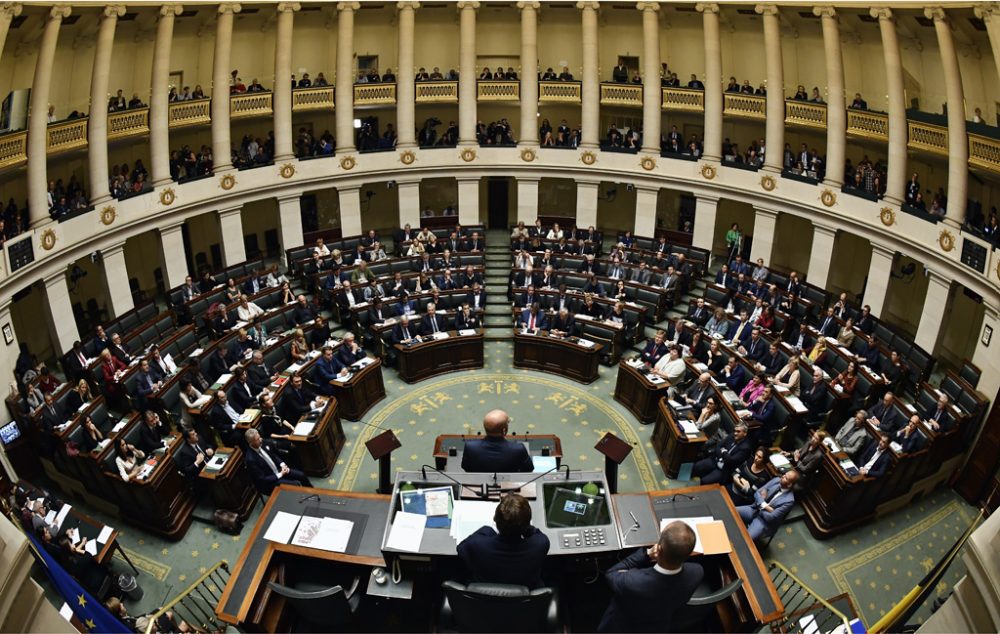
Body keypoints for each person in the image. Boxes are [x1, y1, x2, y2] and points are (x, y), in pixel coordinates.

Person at [597, 521, 703, 633]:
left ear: (659, 549)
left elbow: (611, 573)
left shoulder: (634, 582)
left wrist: (646, 554)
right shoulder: (697, 572)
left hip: (623, 626)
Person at [456, 493, 550, 589]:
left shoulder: (476, 544)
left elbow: (460, 549)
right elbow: (536, 533)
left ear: (495, 521)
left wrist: (486, 531)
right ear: (527, 524)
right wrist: (526, 528)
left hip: (483, 599)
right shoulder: (540, 544)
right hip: (524, 600)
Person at [736, 470, 800, 541]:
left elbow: (771, 517)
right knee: (731, 510)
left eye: (786, 478)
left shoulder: (789, 501)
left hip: (763, 522)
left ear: (789, 484)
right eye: (785, 474)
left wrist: (761, 501)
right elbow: (757, 493)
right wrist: (765, 506)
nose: (782, 476)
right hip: (753, 509)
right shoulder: (776, 480)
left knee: (746, 539)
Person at [244, 428, 312, 495]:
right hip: (270, 482)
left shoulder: (262, 443)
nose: (261, 440)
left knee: (301, 475)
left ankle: (313, 493)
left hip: (279, 470)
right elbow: (263, 479)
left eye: (259, 437)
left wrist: (282, 465)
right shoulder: (251, 459)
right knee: (294, 485)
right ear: (250, 442)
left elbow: (273, 455)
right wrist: (281, 474)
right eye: (257, 439)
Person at [461, 409, 533, 473]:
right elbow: (528, 469)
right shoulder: (519, 449)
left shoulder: (470, 447)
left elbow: (466, 467)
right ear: (504, 430)